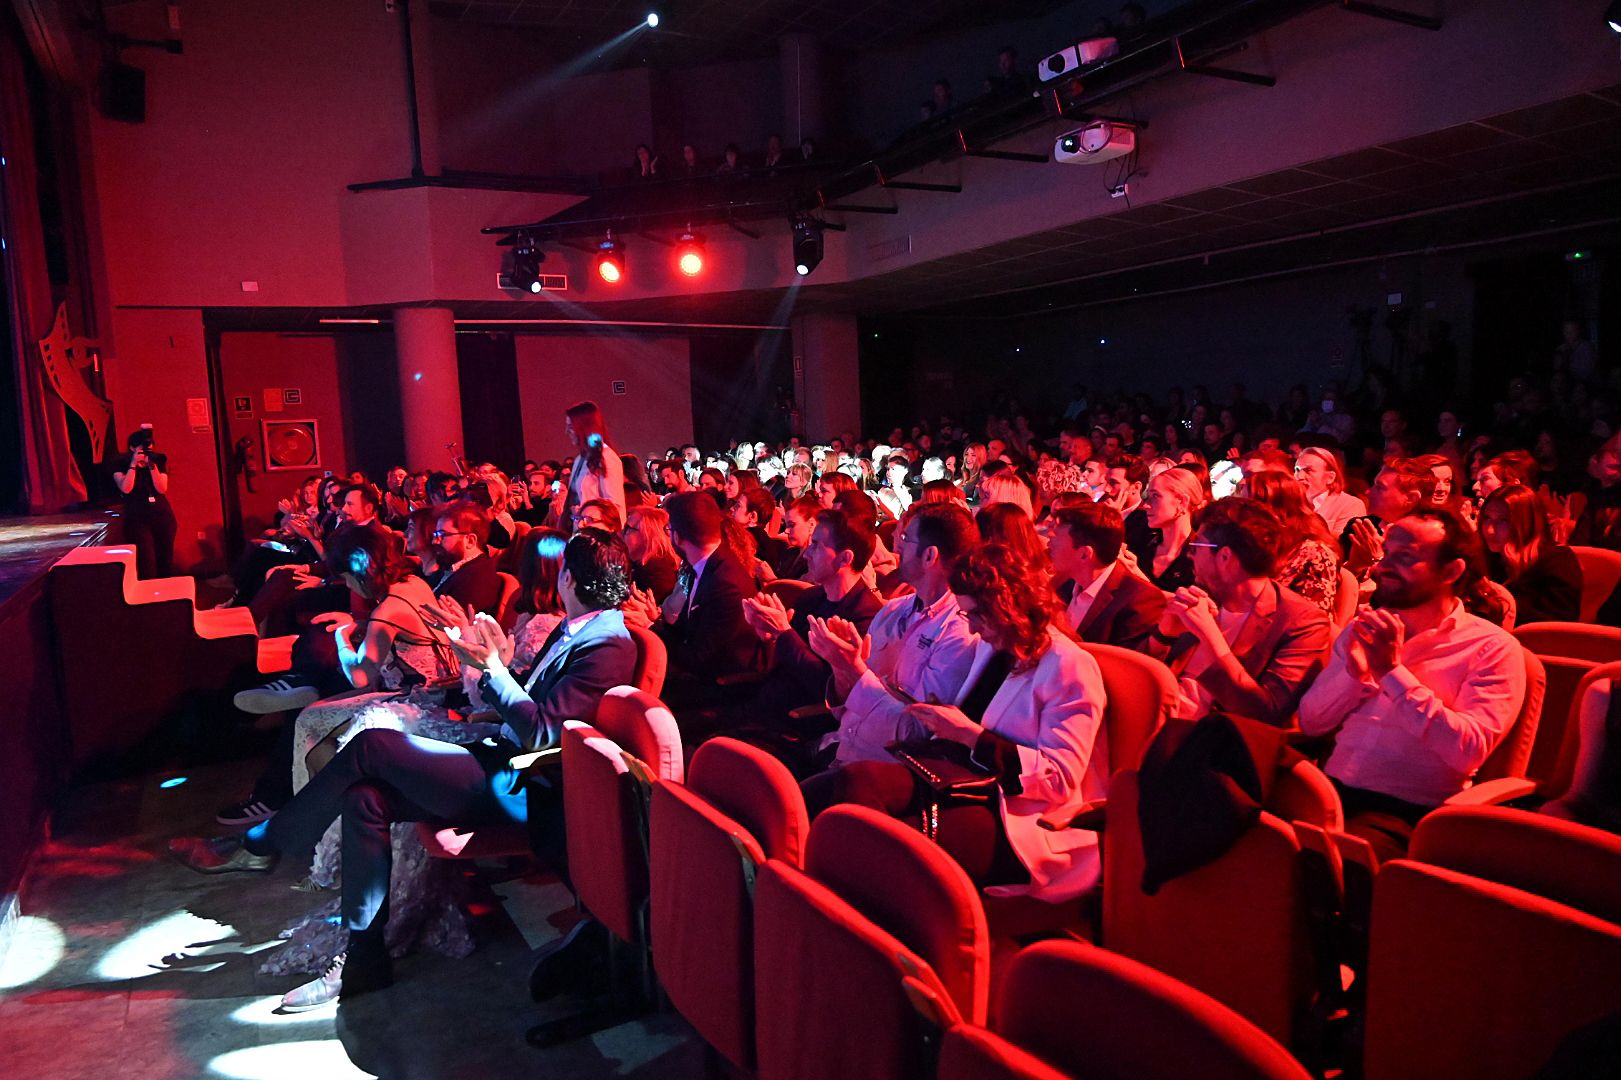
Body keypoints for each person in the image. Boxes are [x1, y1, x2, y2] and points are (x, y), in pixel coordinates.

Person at [171, 529, 639, 1008]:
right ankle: (363, 960)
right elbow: (528, 703)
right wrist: (493, 664)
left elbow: (542, 731)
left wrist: (496, 671)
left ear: (568, 579)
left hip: (522, 785)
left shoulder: (609, 644)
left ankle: (268, 839)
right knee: (364, 799)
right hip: (499, 756)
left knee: (372, 744)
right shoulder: (576, 629)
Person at [800, 543, 1110, 903]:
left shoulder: (1069, 665)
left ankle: (844, 924)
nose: (974, 630)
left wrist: (970, 735)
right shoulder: (993, 648)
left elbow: (1059, 779)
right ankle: (778, 873)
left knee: (883, 844)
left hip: (1019, 814)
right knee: (853, 781)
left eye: (976, 616)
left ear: (1007, 606)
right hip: (959, 779)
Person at [1298, 507, 1527, 861]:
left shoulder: (1492, 648)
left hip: (1404, 812)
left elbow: (1468, 751)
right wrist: (1355, 676)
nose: (1383, 566)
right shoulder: (1367, 630)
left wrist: (1391, 673)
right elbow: (1312, 723)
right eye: (1387, 553)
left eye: (1405, 558)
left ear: (1451, 571)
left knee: (1326, 860)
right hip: (1327, 790)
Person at [808, 503, 981, 770]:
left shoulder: (958, 635)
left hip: (879, 771)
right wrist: (840, 665)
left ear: (929, 556)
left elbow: (915, 734)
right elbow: (844, 709)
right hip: (838, 746)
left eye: (905, 539)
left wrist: (854, 670)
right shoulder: (893, 609)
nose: (896, 547)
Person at [1145, 498, 1332, 725]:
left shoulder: (1301, 623)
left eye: (1196, 545)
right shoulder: (1204, 596)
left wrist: (1209, 635)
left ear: (1224, 557)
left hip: (1209, 744)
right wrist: (1163, 635)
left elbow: (1267, 713)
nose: (1189, 554)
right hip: (1153, 718)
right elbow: (1140, 676)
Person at [632, 490, 759, 704]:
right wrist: (654, 621)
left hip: (721, 689)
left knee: (632, 694)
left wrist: (651, 627)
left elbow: (697, 658)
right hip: (700, 673)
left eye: (668, 529)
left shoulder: (725, 585)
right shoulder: (705, 565)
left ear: (678, 537)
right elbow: (687, 633)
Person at [1047, 502, 1166, 650]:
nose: (1048, 545)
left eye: (1056, 540)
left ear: (1084, 554)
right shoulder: (1063, 584)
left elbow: (1125, 668)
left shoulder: (1139, 600)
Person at [1478, 484, 1583, 625]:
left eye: (1503, 521)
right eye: (1487, 518)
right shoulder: (1489, 556)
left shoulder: (1559, 561)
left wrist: (1499, 605)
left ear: (1527, 523)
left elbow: (1559, 626)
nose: (1490, 530)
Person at [1245, 471, 1341, 614]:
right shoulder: (1255, 546)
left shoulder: (1316, 555)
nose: (1241, 515)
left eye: (1247, 507)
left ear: (1274, 510)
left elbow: (1313, 620)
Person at [114, 426, 176, 578]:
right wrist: (134, 465)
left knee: (165, 560)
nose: (146, 453)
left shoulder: (158, 460)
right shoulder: (121, 463)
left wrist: (151, 465)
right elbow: (126, 488)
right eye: (142, 450)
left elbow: (161, 488)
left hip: (162, 514)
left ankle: (166, 594)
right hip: (137, 517)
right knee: (146, 562)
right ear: (132, 448)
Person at [1132, 466, 1206, 591]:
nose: (1146, 505)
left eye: (1155, 496)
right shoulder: (1142, 546)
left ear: (1182, 501)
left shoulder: (1201, 558)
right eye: (1148, 496)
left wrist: (1139, 578)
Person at [562, 401, 626, 524]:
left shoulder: (607, 458)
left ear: (584, 427)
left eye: (571, 427)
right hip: (581, 531)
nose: (567, 432)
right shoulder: (580, 460)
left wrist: (588, 515)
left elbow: (616, 508)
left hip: (598, 534)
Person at [1294, 446, 1366, 539]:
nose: (1299, 476)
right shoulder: (1289, 502)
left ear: (1330, 477)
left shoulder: (1351, 505)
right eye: (1297, 470)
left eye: (1308, 470)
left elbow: (1343, 545)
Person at [623, 504, 681, 603]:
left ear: (648, 535)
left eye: (628, 527)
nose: (623, 532)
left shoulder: (657, 572)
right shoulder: (639, 564)